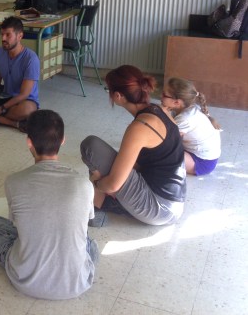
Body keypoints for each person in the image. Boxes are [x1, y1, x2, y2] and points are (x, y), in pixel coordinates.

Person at [0, 110, 97, 300]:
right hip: (78, 283)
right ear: (63, 140)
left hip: (26, 281)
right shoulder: (84, 184)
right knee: (89, 243)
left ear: (29, 142)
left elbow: (16, 225)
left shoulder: (14, 181)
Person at [80, 65, 186, 227]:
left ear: (118, 96)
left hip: (159, 208)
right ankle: (109, 202)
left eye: (108, 90)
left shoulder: (140, 126)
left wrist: (96, 184)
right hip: (174, 203)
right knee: (112, 164)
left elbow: (114, 184)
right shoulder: (159, 110)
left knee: (91, 147)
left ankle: (97, 209)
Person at [161, 77, 221, 176]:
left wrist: (164, 113)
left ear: (177, 102)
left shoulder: (185, 118)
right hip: (195, 153)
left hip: (202, 162)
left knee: (160, 151)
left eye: (164, 95)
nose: (161, 96)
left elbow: (167, 141)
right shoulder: (187, 108)